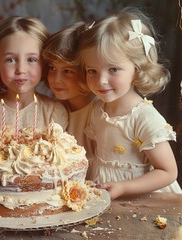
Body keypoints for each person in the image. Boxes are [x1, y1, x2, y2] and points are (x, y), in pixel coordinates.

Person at [78, 7, 182, 199]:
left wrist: (124, 188)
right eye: (92, 70)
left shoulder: (144, 117)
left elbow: (168, 172)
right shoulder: (97, 108)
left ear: (137, 68)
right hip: (106, 192)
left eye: (113, 69)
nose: (101, 80)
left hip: (143, 199)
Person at [0, 16, 69, 132]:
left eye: (31, 60)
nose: (21, 69)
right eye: (10, 60)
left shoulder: (53, 112)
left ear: (44, 63)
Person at [42, 22, 96, 162]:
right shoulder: (55, 111)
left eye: (68, 71)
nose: (56, 79)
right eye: (52, 68)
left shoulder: (102, 112)